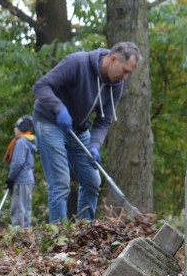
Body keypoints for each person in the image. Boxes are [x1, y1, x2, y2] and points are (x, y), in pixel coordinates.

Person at [32, 42, 142, 223]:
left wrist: (95, 146)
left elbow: (104, 120)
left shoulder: (116, 85)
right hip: (50, 122)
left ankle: (85, 230)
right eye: (124, 71)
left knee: (92, 181)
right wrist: (58, 108)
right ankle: (57, 236)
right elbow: (41, 86)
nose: (125, 77)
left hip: (78, 129)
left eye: (129, 73)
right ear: (113, 59)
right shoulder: (77, 63)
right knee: (60, 183)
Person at [3, 115, 37, 228]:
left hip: (21, 180)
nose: (14, 129)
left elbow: (17, 163)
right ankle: (26, 232)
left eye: (17, 127)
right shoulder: (29, 141)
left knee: (18, 208)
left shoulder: (21, 142)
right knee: (26, 208)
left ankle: (18, 234)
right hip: (29, 179)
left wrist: (10, 178)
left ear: (21, 129)